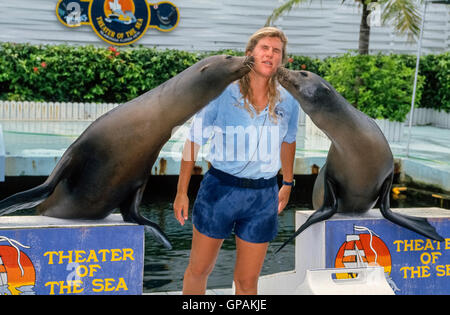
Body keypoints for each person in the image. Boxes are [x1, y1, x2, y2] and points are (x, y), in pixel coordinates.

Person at [173, 27, 299, 295]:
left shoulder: (289, 101)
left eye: (276, 51)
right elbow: (193, 141)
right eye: (265, 47)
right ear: (250, 53)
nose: (270, 54)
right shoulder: (222, 94)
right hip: (220, 190)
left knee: (247, 282)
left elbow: (288, 141)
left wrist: (287, 181)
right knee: (199, 271)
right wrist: (181, 192)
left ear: (281, 59)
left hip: (263, 196)